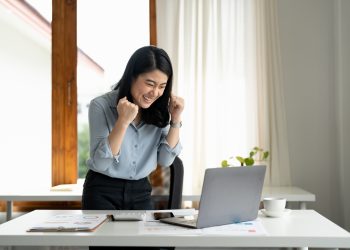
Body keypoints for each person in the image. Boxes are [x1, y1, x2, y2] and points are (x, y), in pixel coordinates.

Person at [82, 46, 184, 250]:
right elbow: (101, 163)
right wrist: (122, 122)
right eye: (150, 83)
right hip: (102, 191)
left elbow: (165, 160)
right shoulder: (100, 106)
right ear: (131, 77)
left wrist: (176, 120)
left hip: (140, 192)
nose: (155, 93)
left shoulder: (160, 111)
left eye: (162, 86)